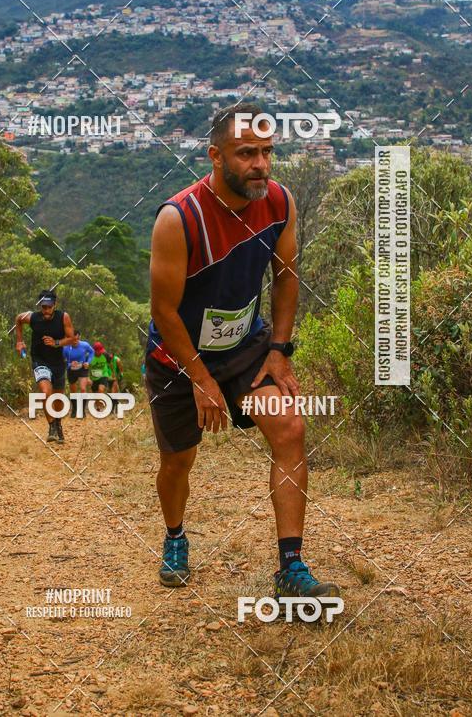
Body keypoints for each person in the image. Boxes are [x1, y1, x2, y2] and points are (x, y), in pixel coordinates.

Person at [145, 102, 340, 604]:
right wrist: (200, 380)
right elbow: (164, 311)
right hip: (177, 357)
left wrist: (279, 350)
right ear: (215, 156)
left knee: (290, 428)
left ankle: (291, 565)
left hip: (244, 347)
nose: (261, 164)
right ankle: (175, 537)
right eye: (247, 153)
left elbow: (286, 275)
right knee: (178, 460)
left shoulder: (278, 203)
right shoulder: (178, 218)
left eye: (268, 152)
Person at [15, 289, 76, 444]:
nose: (46, 310)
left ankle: (58, 424)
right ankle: (51, 426)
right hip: (39, 359)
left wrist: (56, 343)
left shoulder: (64, 317)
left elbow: (72, 339)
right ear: (40, 306)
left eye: (49, 307)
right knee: (45, 391)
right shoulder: (33, 318)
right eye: (44, 307)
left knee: (57, 399)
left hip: (57, 362)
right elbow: (18, 319)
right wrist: (19, 341)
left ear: (54, 305)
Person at [64, 331, 94, 417]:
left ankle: (82, 411)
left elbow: (92, 352)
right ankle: (74, 409)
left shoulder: (85, 345)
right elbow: (62, 360)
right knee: (73, 390)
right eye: (73, 339)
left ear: (79, 338)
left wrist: (88, 362)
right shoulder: (66, 348)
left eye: (77, 339)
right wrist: (70, 364)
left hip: (82, 369)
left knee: (83, 389)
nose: (75, 341)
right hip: (71, 370)